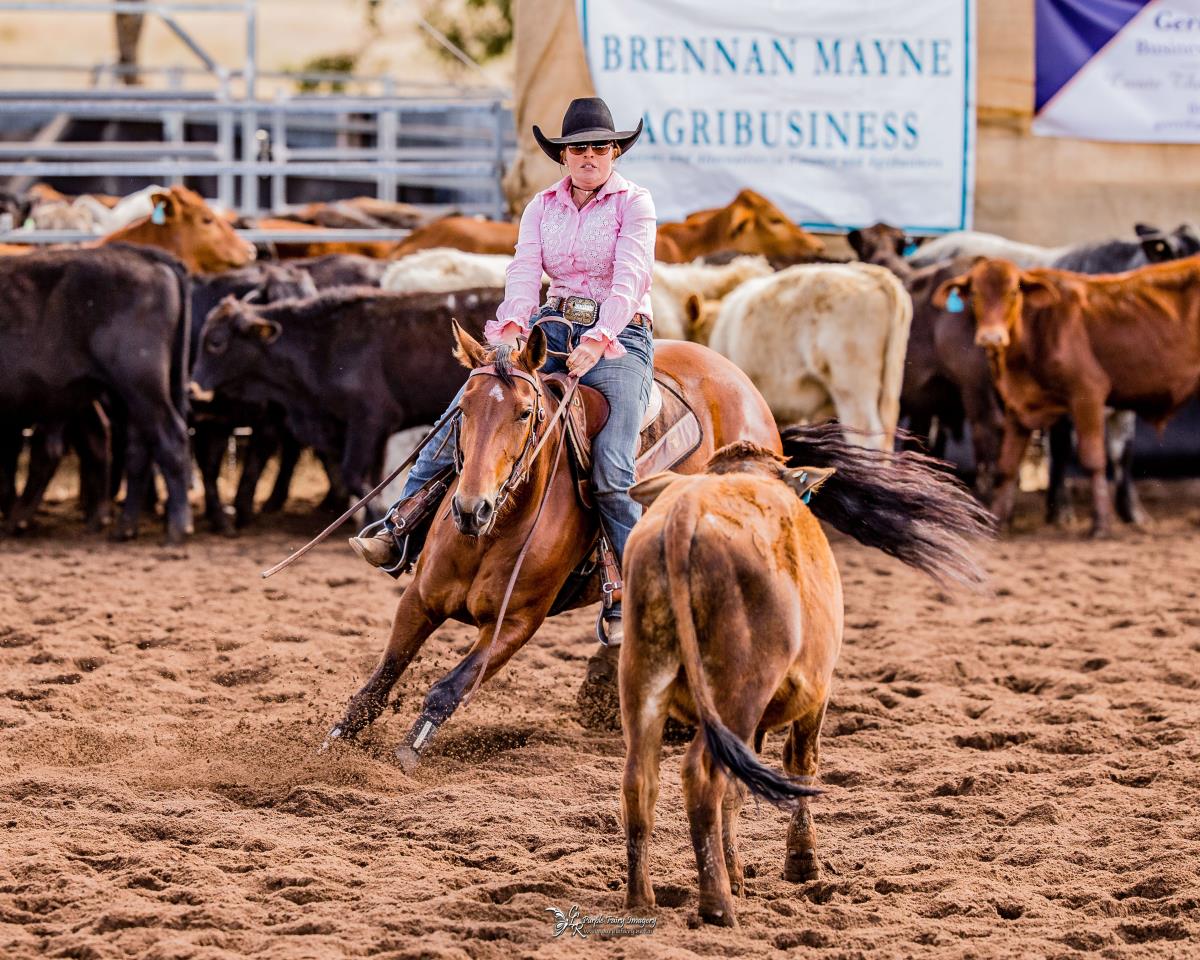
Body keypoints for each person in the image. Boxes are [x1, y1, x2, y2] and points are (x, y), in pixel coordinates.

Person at [349, 97, 656, 703]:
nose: (588, 156)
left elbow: (630, 277)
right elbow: (523, 271)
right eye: (578, 148)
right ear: (563, 155)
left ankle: (627, 589)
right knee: (464, 415)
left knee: (614, 470)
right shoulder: (541, 206)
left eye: (599, 147)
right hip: (549, 329)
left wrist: (598, 342)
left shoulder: (635, 204)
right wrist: (512, 331)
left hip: (621, 338)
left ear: (614, 152)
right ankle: (401, 524)